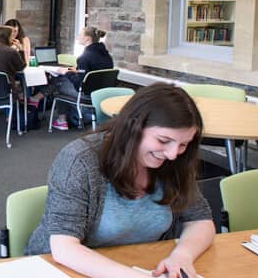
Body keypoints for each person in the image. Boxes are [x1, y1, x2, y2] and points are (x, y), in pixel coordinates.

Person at [26, 84, 214, 278]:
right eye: (163, 141)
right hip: (63, 269)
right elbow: (64, 248)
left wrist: (182, 256)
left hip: (136, 264)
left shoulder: (175, 162)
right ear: (133, 127)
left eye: (183, 144)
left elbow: (200, 220)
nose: (173, 154)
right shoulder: (80, 160)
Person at [50, 26, 114, 130]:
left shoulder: (84, 57)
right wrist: (73, 70)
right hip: (102, 93)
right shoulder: (107, 56)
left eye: (80, 35)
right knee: (63, 81)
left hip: (86, 95)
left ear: (87, 38)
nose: (78, 37)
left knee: (59, 82)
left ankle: (61, 120)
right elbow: (91, 73)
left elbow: (79, 84)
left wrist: (66, 73)